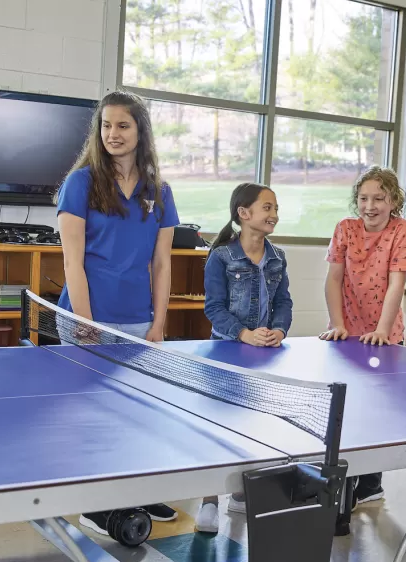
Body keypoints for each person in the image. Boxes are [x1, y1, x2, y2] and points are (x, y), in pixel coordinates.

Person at [56, 90, 180, 536]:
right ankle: (95, 504)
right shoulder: (81, 183)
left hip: (138, 320)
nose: (113, 134)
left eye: (123, 125)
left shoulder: (159, 192)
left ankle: (135, 493)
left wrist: (159, 322)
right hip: (87, 317)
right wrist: (85, 324)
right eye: (106, 126)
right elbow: (72, 261)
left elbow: (162, 262)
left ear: (140, 132)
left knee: (136, 415)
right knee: (93, 417)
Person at [196, 182, 293, 533]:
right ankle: (208, 501)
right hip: (226, 352)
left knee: (251, 428)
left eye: (275, 208)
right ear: (244, 213)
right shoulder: (221, 256)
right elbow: (214, 308)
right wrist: (244, 334)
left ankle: (239, 494)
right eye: (267, 207)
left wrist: (279, 331)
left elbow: (284, 302)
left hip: (264, 356)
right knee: (218, 428)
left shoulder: (278, 256)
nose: (274, 214)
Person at [320, 166, 406, 510]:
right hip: (346, 330)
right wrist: (337, 322)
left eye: (379, 198)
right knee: (346, 409)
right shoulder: (345, 229)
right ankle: (343, 474)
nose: (370, 205)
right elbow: (333, 279)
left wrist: (381, 329)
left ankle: (371, 482)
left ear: (393, 201)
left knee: (378, 411)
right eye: (364, 198)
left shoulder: (402, 231)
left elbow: (396, 285)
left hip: (383, 334)